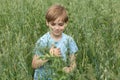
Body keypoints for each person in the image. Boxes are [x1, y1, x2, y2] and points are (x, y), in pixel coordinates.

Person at [32, 4, 78, 80]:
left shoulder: (69, 41)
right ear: (47, 23)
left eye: (60, 24)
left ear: (66, 24)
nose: (57, 28)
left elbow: (73, 63)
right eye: (53, 24)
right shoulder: (43, 41)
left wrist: (69, 69)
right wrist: (49, 55)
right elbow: (34, 64)